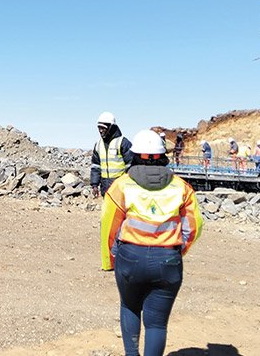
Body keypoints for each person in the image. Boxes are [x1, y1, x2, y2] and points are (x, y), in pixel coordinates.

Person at [101, 129, 203, 356]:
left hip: (129, 259)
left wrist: (109, 260)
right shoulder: (182, 187)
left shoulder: (121, 186)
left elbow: (109, 226)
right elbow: (194, 227)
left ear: (135, 155)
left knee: (129, 307)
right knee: (157, 323)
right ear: (162, 156)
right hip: (168, 260)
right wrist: (176, 251)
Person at [91, 112, 133, 197]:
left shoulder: (123, 143)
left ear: (111, 127)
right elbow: (96, 166)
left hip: (120, 186)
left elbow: (131, 165)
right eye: (99, 128)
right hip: (105, 186)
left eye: (103, 128)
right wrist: (94, 184)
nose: (100, 130)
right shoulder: (98, 144)